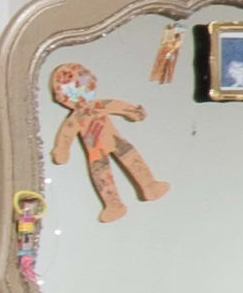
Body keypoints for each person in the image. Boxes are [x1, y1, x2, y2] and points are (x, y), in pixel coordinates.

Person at [44, 60, 165, 222]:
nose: (80, 93)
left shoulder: (97, 106)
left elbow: (118, 106)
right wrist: (62, 150)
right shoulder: (77, 117)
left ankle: (149, 185)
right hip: (96, 150)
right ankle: (114, 205)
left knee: (131, 159)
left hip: (115, 141)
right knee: (103, 175)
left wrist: (133, 112)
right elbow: (66, 136)